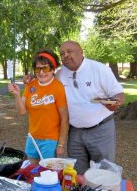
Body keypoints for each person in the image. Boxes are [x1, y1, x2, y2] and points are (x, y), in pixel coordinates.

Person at [24, 41, 125, 174]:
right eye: (62, 53)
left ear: (81, 52)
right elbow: (43, 76)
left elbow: (118, 93)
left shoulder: (99, 69)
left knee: (103, 170)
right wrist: (31, 77)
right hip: (75, 131)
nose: (66, 55)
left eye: (70, 51)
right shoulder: (60, 74)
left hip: (101, 129)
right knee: (76, 171)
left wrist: (117, 101)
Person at [8, 48, 69, 165]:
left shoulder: (58, 87)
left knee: (47, 172)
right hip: (32, 137)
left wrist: (60, 144)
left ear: (53, 69)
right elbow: (22, 111)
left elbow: (64, 119)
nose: (41, 72)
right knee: (32, 171)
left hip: (50, 140)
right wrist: (16, 94)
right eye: (37, 68)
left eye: (45, 68)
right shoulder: (31, 85)